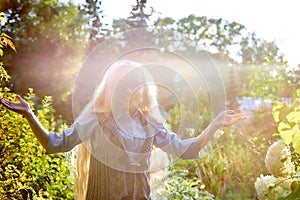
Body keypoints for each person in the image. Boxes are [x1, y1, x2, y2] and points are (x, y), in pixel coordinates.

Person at [0, 60, 246, 200]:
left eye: (134, 83)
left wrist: (214, 125)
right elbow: (55, 144)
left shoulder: (149, 124)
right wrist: (30, 115)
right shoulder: (96, 120)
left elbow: (185, 150)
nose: (129, 88)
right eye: (122, 83)